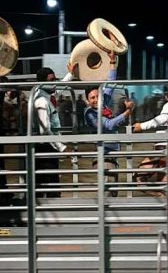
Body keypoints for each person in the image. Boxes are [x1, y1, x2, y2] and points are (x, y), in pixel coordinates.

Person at [84, 52, 135, 196]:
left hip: (111, 152)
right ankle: (105, 217)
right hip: (103, 154)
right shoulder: (90, 113)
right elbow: (108, 125)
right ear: (88, 100)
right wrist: (127, 112)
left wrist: (112, 62)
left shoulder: (103, 103)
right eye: (92, 98)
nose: (96, 99)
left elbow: (111, 84)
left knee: (113, 190)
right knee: (108, 191)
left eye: (97, 96)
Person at [32, 65, 76, 198]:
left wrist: (71, 74)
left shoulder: (48, 95)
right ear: (43, 83)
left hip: (49, 146)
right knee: (48, 183)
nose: (54, 83)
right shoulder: (41, 101)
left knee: (48, 182)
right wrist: (62, 148)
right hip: (45, 147)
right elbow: (44, 131)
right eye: (51, 80)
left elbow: (59, 87)